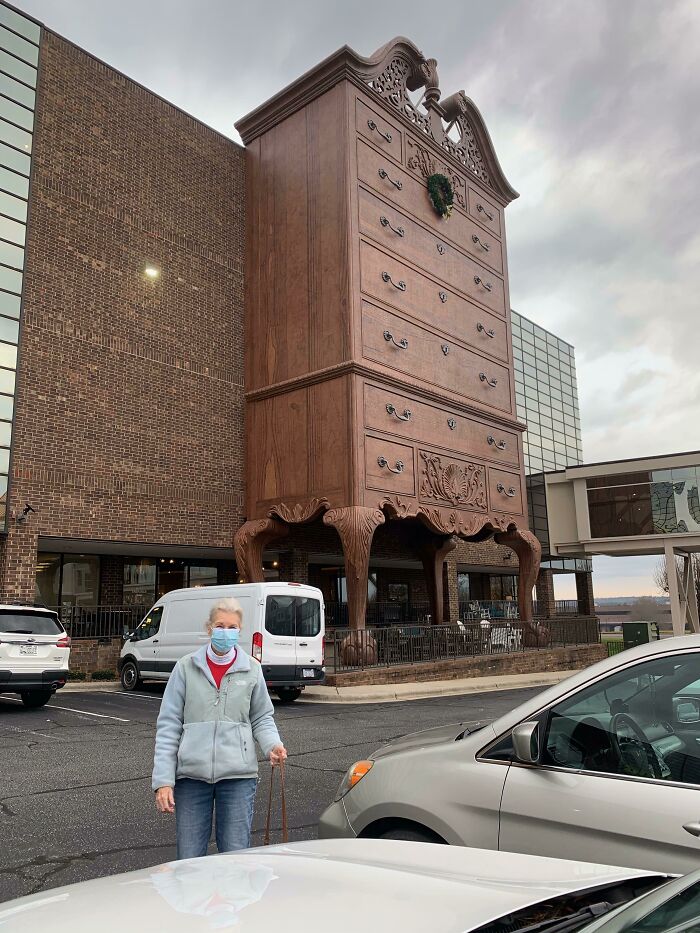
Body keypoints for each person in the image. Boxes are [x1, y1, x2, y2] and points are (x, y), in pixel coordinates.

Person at [152, 597, 287, 859]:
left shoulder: (251, 669)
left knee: (235, 859)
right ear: (209, 628)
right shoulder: (186, 668)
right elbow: (169, 726)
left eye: (232, 626)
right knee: (190, 860)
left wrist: (273, 745)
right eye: (220, 625)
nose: (226, 632)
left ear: (240, 630)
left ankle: (232, 902)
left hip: (238, 778)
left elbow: (262, 717)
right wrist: (164, 782)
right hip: (191, 778)